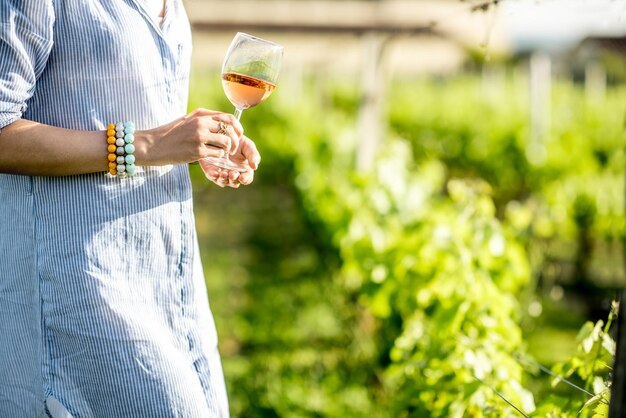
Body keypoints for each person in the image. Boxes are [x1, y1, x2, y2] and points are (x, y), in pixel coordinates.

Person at [0, 1, 259, 416]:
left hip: (171, 281)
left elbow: (131, 113)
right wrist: (148, 145)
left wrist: (193, 147)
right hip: (84, 287)